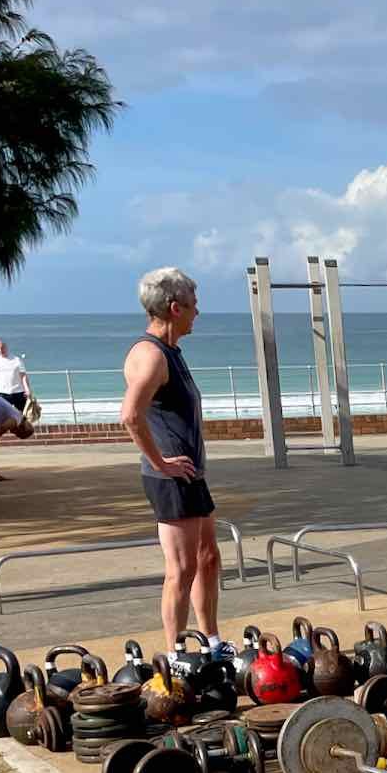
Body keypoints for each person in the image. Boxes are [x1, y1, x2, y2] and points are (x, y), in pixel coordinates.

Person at [119, 267, 225, 655]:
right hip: (171, 479)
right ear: (175, 308)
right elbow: (130, 414)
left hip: (191, 475)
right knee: (180, 571)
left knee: (207, 558)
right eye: (194, 306)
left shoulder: (171, 352)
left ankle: (211, 640)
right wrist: (161, 463)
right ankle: (176, 655)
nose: (198, 312)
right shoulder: (150, 356)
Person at [0, 339, 33, 412]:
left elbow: (23, 376)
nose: (1, 350)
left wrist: (27, 389)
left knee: (22, 416)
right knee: (3, 415)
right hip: (3, 393)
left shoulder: (17, 360)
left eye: (2, 348)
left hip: (18, 392)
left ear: (6, 348)